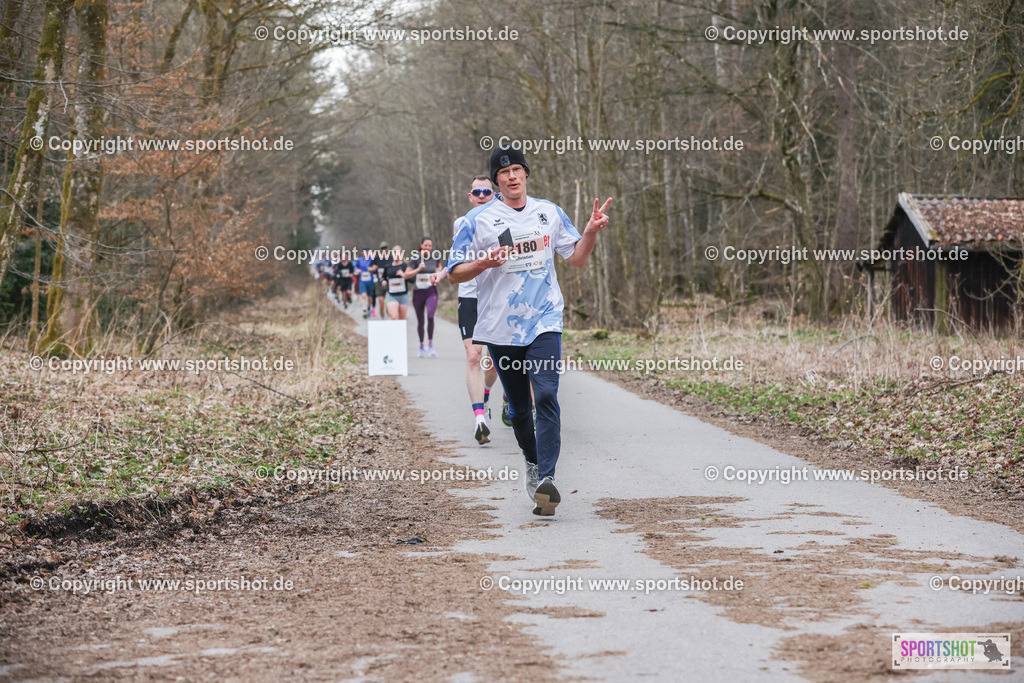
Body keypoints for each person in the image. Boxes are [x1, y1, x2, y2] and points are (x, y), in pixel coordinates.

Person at [448, 145, 612, 516]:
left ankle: (547, 479)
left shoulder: (549, 212)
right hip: (501, 327)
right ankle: (534, 464)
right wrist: (483, 263)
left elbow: (577, 258)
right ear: (496, 181)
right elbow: (454, 272)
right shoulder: (477, 221)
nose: (512, 177)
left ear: (525, 174)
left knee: (547, 395)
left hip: (545, 319)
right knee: (520, 409)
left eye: (517, 170)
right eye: (504, 173)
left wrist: (590, 231)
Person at [435, 176, 501, 445]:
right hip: (470, 295)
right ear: (470, 196)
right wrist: (443, 273)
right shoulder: (462, 223)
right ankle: (479, 419)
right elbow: (457, 258)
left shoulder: (503, 220)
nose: (482, 195)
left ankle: (486, 393)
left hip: (496, 297)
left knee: (494, 362)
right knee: (474, 356)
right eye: (477, 192)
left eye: (487, 191)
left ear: (494, 195)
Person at [408, 237, 444, 357]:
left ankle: (430, 345)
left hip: (431, 291)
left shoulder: (435, 256)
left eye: (430, 246)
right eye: (426, 245)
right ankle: (421, 346)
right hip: (418, 292)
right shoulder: (415, 258)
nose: (428, 248)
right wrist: (418, 269)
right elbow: (407, 274)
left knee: (430, 316)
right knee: (420, 321)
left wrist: (438, 271)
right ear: (421, 246)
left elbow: (440, 268)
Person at [381, 245, 414, 320]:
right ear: (392, 254)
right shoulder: (387, 266)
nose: (396, 254)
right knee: (394, 317)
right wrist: (383, 281)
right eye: (395, 253)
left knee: (402, 319)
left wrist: (404, 275)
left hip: (404, 296)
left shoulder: (405, 266)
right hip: (391, 295)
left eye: (398, 253)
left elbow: (412, 280)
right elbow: (383, 277)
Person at [355, 247, 377, 318]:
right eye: (365, 251)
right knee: (364, 295)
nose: (366, 253)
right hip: (362, 280)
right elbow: (355, 266)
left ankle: (369, 308)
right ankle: (364, 310)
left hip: (370, 281)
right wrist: (357, 270)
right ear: (362, 252)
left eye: (368, 251)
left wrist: (373, 269)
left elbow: (376, 267)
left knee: (370, 297)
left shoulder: (372, 259)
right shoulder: (359, 260)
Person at [373, 241, 390, 319]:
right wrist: (373, 268)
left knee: (388, 301)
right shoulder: (376, 258)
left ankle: (388, 312)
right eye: (382, 248)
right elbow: (369, 268)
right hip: (379, 283)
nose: (384, 250)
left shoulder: (391, 258)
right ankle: (382, 316)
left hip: (388, 282)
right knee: (381, 302)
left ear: (387, 249)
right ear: (379, 249)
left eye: (385, 248)